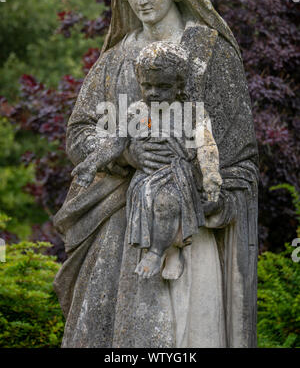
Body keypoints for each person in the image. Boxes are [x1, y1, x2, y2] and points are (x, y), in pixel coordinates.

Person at [53, 0, 259, 348]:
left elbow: (240, 154)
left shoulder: (209, 52)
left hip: (188, 229)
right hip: (117, 230)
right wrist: (127, 152)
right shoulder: (114, 59)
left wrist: (210, 187)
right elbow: (79, 133)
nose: (141, 0)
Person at [71, 40, 222, 279]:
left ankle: (156, 252)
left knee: (167, 204)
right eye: (147, 85)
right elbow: (115, 142)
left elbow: (206, 143)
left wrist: (212, 174)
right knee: (153, 204)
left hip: (178, 173)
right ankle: (171, 249)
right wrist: (91, 164)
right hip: (146, 176)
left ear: (178, 85)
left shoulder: (192, 112)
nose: (153, 92)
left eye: (162, 86)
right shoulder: (136, 111)